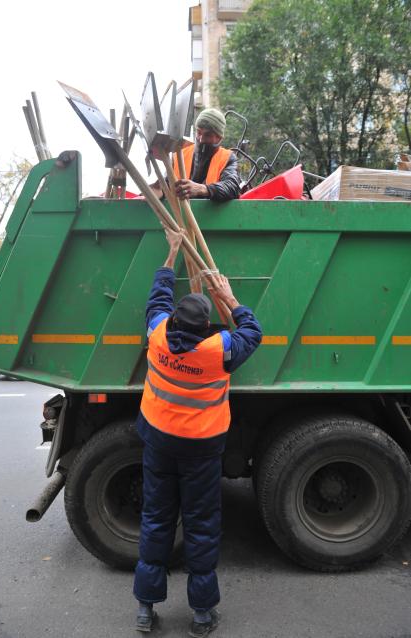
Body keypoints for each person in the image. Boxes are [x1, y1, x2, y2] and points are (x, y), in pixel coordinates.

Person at [133, 228, 262, 636]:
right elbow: (253, 332)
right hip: (201, 450)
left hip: (158, 440)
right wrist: (229, 296)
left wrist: (170, 254)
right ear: (207, 325)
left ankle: (144, 609)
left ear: (173, 322)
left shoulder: (157, 336)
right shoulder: (217, 351)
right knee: (201, 525)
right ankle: (202, 614)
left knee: (156, 520)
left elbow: (156, 299)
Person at [151, 107, 240, 203]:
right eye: (199, 132)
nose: (201, 139)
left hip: (213, 216)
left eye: (207, 135)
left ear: (219, 138)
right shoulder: (179, 154)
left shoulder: (227, 158)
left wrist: (202, 189)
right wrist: (158, 191)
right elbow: (168, 185)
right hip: (181, 216)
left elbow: (232, 187)